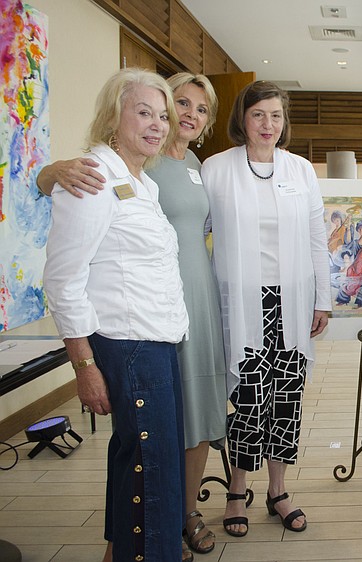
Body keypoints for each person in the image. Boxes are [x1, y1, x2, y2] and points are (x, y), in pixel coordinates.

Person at [38, 72, 225, 562]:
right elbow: (61, 279)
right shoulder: (94, 177)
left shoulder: (138, 180)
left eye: (162, 115)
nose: (159, 123)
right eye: (145, 111)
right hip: (128, 344)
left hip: (157, 341)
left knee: (139, 463)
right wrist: (83, 365)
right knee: (155, 469)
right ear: (112, 117)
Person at [200, 80, 331, 537]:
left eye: (276, 116)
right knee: (249, 397)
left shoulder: (301, 170)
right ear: (243, 118)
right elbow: (196, 234)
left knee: (287, 397)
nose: (268, 124)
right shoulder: (215, 169)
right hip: (240, 301)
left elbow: (318, 239)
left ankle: (278, 490)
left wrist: (323, 299)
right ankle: (237, 490)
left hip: (291, 300)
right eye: (259, 115)